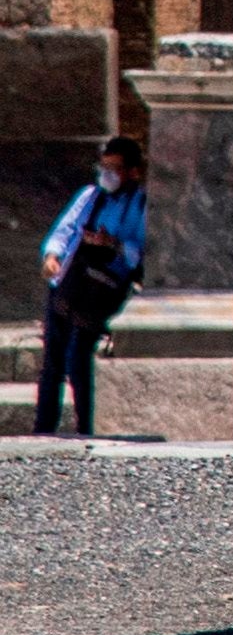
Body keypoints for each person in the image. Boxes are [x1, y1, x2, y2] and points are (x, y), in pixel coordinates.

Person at [34, 138, 142, 439]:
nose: (107, 175)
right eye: (103, 167)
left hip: (101, 290)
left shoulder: (139, 204)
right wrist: (52, 256)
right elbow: (65, 229)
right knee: (52, 359)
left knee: (78, 356)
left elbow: (140, 252)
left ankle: (85, 427)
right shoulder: (90, 195)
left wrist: (113, 244)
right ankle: (44, 427)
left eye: (115, 169)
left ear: (132, 171)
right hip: (69, 281)